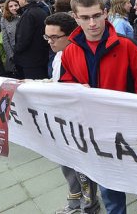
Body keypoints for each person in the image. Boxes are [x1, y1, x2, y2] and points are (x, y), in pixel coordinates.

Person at [59, 0, 137, 214]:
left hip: (131, 132)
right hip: (96, 134)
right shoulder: (69, 52)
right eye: (85, 18)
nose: (92, 23)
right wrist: (76, 89)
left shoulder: (127, 46)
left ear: (105, 13)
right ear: (75, 17)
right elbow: (65, 85)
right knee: (110, 191)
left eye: (96, 15)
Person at [42, 13, 87, 214]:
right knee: (66, 164)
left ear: (70, 35)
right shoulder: (59, 56)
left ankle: (87, 204)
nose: (50, 42)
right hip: (60, 121)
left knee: (83, 168)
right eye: (47, 37)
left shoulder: (81, 57)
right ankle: (75, 200)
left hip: (78, 123)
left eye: (55, 37)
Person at [14, 0, 49, 79]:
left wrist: (16, 50)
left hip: (30, 60)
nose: (17, 0)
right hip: (41, 56)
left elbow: (23, 38)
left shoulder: (28, 14)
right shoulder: (41, 11)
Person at [0, 0, 20, 75]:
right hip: (13, 53)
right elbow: (5, 39)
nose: (14, 8)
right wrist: (11, 55)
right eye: (11, 6)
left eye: (16, 5)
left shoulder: (24, 16)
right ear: (7, 8)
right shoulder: (4, 19)